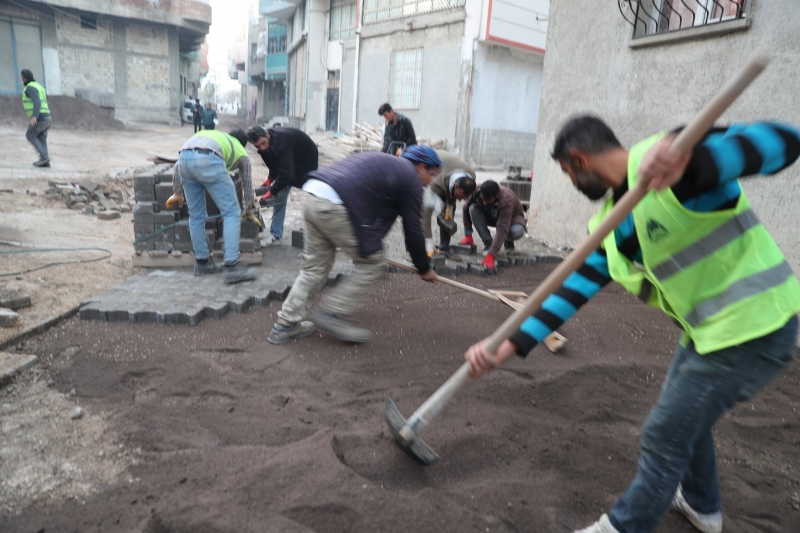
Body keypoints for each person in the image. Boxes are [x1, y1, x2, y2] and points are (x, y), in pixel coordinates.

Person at [463, 116, 800, 533]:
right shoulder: (616, 220)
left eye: (569, 174)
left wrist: (698, 162)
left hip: (758, 326)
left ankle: (619, 528)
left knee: (665, 432)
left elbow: (785, 141)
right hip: (710, 332)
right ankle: (702, 505)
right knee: (685, 414)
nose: (572, 183)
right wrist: (506, 345)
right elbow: (572, 290)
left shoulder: (675, 156)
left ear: (580, 159)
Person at [267, 145, 440, 345]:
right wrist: (424, 267)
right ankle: (333, 313)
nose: (431, 181)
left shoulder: (388, 164)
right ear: (420, 167)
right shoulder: (411, 178)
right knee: (373, 262)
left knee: (314, 268)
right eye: (432, 174)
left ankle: (284, 326)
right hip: (334, 205)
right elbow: (413, 228)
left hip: (313, 197)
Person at [167, 129, 258, 285]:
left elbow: (178, 164)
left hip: (184, 159)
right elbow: (247, 185)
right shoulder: (241, 151)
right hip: (208, 159)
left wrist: (177, 192)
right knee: (232, 213)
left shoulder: (213, 137)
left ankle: (202, 263)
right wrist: (249, 210)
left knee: (195, 215)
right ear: (242, 143)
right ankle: (232, 266)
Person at [246, 126, 319, 247]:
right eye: (258, 146)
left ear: (267, 135)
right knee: (279, 197)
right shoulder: (265, 146)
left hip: (306, 159)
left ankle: (324, 236)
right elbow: (274, 161)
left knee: (315, 200)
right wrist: (271, 178)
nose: (262, 148)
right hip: (290, 159)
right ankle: (275, 235)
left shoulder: (282, 143)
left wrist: (271, 192)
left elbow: (287, 176)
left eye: (263, 143)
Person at [459, 180, 526, 272]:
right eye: (483, 199)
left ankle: (507, 241)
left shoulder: (506, 200)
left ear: (497, 195)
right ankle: (488, 243)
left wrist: (491, 255)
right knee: (473, 209)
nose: (485, 203)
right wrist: (468, 234)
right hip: (492, 216)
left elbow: (502, 228)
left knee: (516, 232)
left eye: (488, 200)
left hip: (511, 220)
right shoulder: (478, 191)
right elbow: (465, 209)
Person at [423, 150, 477, 260]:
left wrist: (450, 207)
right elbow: (426, 213)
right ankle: (414, 249)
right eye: (459, 195)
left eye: (463, 198)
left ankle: (444, 248)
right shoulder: (436, 183)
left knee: (448, 215)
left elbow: (453, 196)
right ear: (455, 185)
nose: (461, 200)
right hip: (428, 171)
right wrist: (428, 241)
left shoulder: (471, 176)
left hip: (449, 176)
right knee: (419, 211)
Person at [21, 69, 52, 167]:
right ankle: (45, 162)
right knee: (41, 138)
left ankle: (44, 157)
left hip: (40, 117)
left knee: (30, 135)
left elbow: (37, 102)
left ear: (23, 77)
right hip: (47, 116)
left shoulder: (30, 88)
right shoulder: (39, 86)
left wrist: (34, 116)